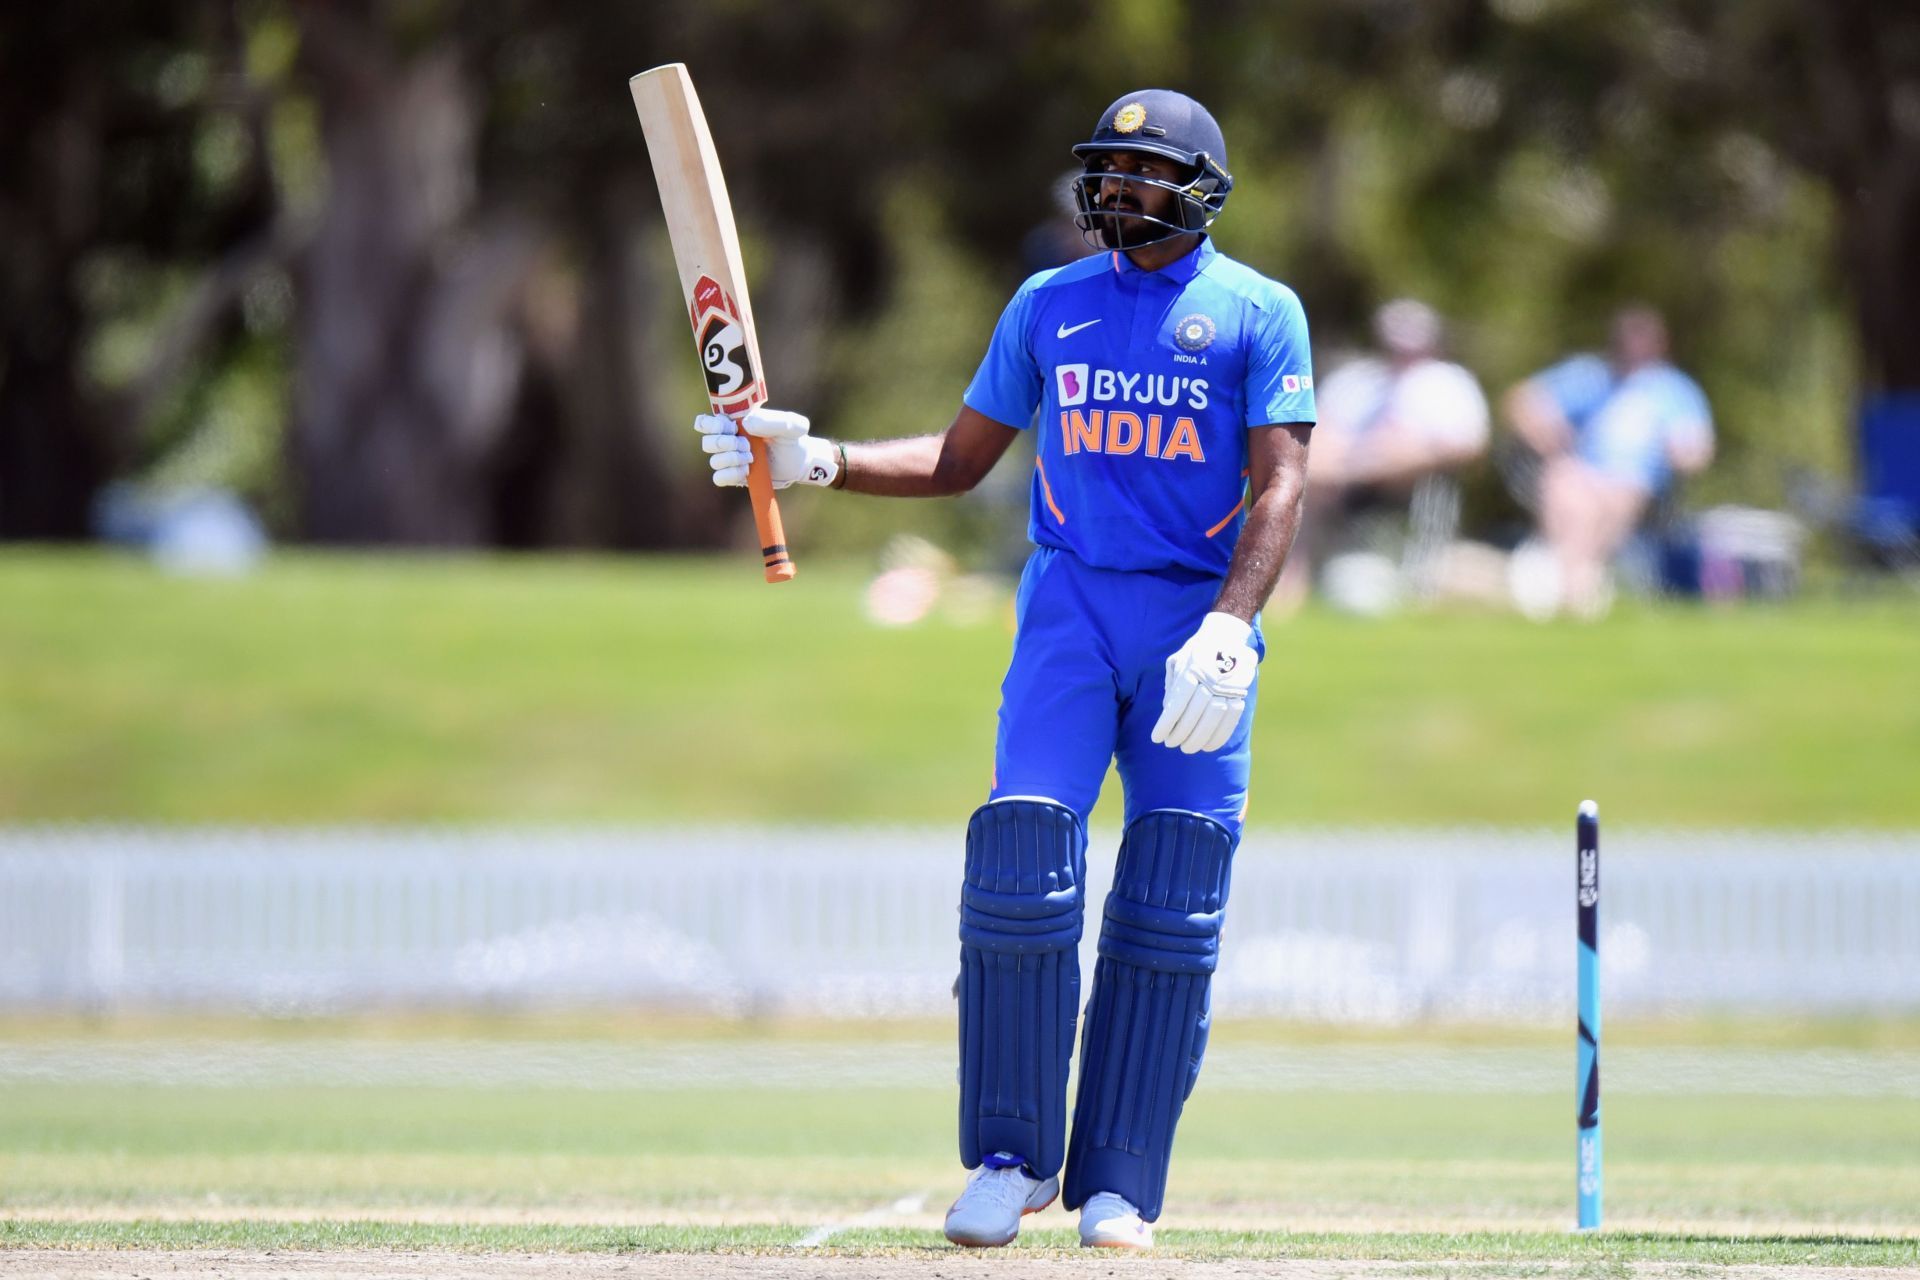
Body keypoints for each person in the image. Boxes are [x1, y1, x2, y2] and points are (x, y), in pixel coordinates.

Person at [693, 89, 1314, 1250]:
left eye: (1141, 172)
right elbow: (954, 460)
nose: (1116, 190)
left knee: (1173, 893)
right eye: (1108, 169)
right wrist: (813, 455)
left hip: (1197, 627)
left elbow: (1280, 484)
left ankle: (1120, 1179)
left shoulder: (1258, 311)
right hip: (1069, 610)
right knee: (1023, 857)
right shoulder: (1049, 304)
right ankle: (1010, 1159)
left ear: (1199, 185)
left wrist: (1233, 627)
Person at [1272, 298, 1488, 610]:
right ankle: (1290, 582)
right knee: (1300, 481)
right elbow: (1319, 427)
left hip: (1415, 482)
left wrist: (1384, 456)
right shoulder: (1358, 380)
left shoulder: (1447, 382)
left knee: (1393, 449)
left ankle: (1419, 593)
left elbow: (1468, 444)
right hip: (1345, 477)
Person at [1503, 306, 1714, 618]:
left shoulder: (1675, 391)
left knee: (1612, 493)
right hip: (1582, 471)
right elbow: (1521, 400)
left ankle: (1571, 584)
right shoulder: (1591, 376)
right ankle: (1575, 581)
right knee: (1565, 481)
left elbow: (1697, 451)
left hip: (1638, 481)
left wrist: (1679, 451)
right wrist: (1548, 435)